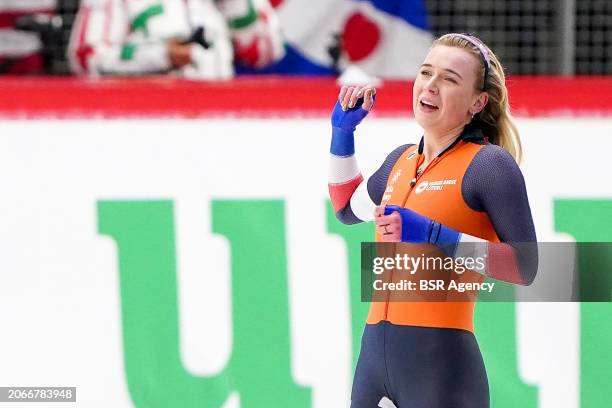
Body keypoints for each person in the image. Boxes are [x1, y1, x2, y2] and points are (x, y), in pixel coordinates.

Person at [328, 33, 538, 407]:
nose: (430, 85)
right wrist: (342, 136)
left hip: (440, 366)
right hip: (374, 360)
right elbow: (346, 209)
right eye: (426, 72)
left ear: (478, 102)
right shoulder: (400, 161)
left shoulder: (489, 166)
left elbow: (526, 268)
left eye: (449, 79)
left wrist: (431, 232)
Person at [67, 0, 284, 78]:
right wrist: (160, 56)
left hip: (221, 120)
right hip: (151, 122)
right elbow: (86, 58)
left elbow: (265, 53)